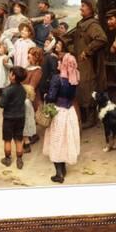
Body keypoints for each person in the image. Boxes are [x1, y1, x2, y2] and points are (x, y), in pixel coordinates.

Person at [42, 52, 81, 183]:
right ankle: (63, 169)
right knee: (65, 141)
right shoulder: (75, 77)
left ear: (63, 64)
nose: (58, 64)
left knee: (57, 141)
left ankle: (59, 174)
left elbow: (52, 97)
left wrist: (46, 96)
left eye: (60, 61)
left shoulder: (57, 78)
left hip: (58, 112)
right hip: (69, 112)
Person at [70, 0, 108, 129]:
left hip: (89, 63)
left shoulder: (92, 25)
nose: (81, 8)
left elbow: (102, 39)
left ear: (91, 9)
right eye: (81, 6)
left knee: (88, 87)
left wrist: (87, 51)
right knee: (81, 87)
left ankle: (91, 118)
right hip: (80, 62)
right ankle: (84, 116)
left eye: (83, 6)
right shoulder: (82, 23)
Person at [0, 66, 28, 169]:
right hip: (20, 117)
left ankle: (7, 159)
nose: (9, 75)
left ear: (13, 77)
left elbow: (1, 104)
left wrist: (1, 100)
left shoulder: (7, 90)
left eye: (10, 73)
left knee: (7, 139)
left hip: (9, 118)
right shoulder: (23, 89)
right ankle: (19, 160)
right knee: (18, 139)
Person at [22, 47, 43, 151]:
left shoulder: (38, 71)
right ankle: (31, 135)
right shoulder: (27, 68)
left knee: (28, 117)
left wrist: (19, 89)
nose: (29, 55)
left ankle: (30, 138)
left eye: (31, 54)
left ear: (37, 57)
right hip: (23, 95)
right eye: (28, 53)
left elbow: (31, 87)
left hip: (31, 98)